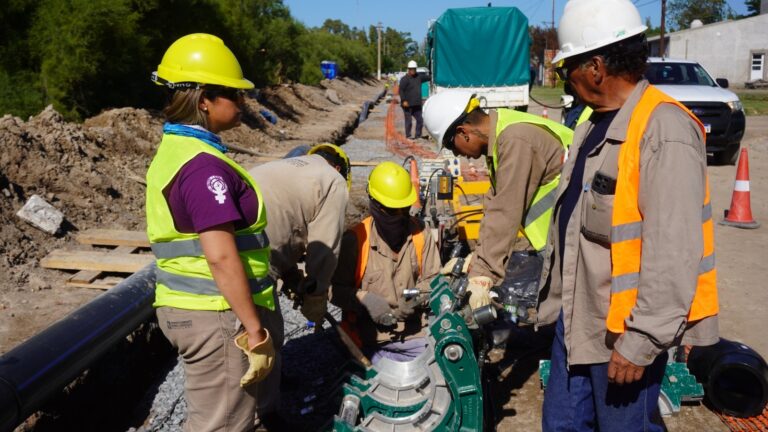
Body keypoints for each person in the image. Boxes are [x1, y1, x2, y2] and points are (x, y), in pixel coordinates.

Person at [537, 0, 719, 430]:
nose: (566, 79)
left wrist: (642, 340)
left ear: (596, 67)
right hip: (577, 321)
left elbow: (673, 251)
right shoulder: (590, 125)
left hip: (623, 333)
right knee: (561, 425)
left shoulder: (664, 130)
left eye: (569, 68)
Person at [145, 33, 279, 431]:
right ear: (204, 99)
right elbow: (220, 256)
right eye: (233, 96)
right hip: (216, 314)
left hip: (193, 306)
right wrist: (254, 330)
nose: (242, 104)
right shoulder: (203, 167)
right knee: (222, 423)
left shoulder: (175, 150)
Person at [423, 90, 572, 315]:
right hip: (561, 240)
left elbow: (506, 212)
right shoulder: (502, 136)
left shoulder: (515, 140)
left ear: (463, 132)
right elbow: (493, 208)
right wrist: (477, 259)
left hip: (573, 240)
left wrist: (483, 276)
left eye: (452, 147)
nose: (458, 154)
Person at [330, 161, 441, 364]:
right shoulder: (355, 241)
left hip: (415, 337)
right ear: (375, 204)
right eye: (392, 211)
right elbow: (332, 290)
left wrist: (415, 297)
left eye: (403, 209)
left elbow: (435, 281)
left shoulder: (421, 235)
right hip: (368, 340)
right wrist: (364, 299)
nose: (399, 216)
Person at [248, 143, 351, 322]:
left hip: (213, 252)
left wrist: (290, 273)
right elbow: (325, 249)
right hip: (254, 265)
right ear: (337, 168)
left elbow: (282, 220)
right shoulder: (333, 179)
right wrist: (316, 295)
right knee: (266, 336)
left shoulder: (275, 167)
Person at [398, 60, 429, 139]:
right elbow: (401, 90)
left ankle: (418, 136)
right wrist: (403, 100)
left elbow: (428, 77)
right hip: (407, 104)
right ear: (408, 69)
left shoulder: (418, 77)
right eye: (411, 69)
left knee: (420, 120)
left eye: (414, 69)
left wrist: (434, 75)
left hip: (417, 104)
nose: (413, 70)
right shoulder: (404, 79)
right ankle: (408, 136)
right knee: (409, 121)